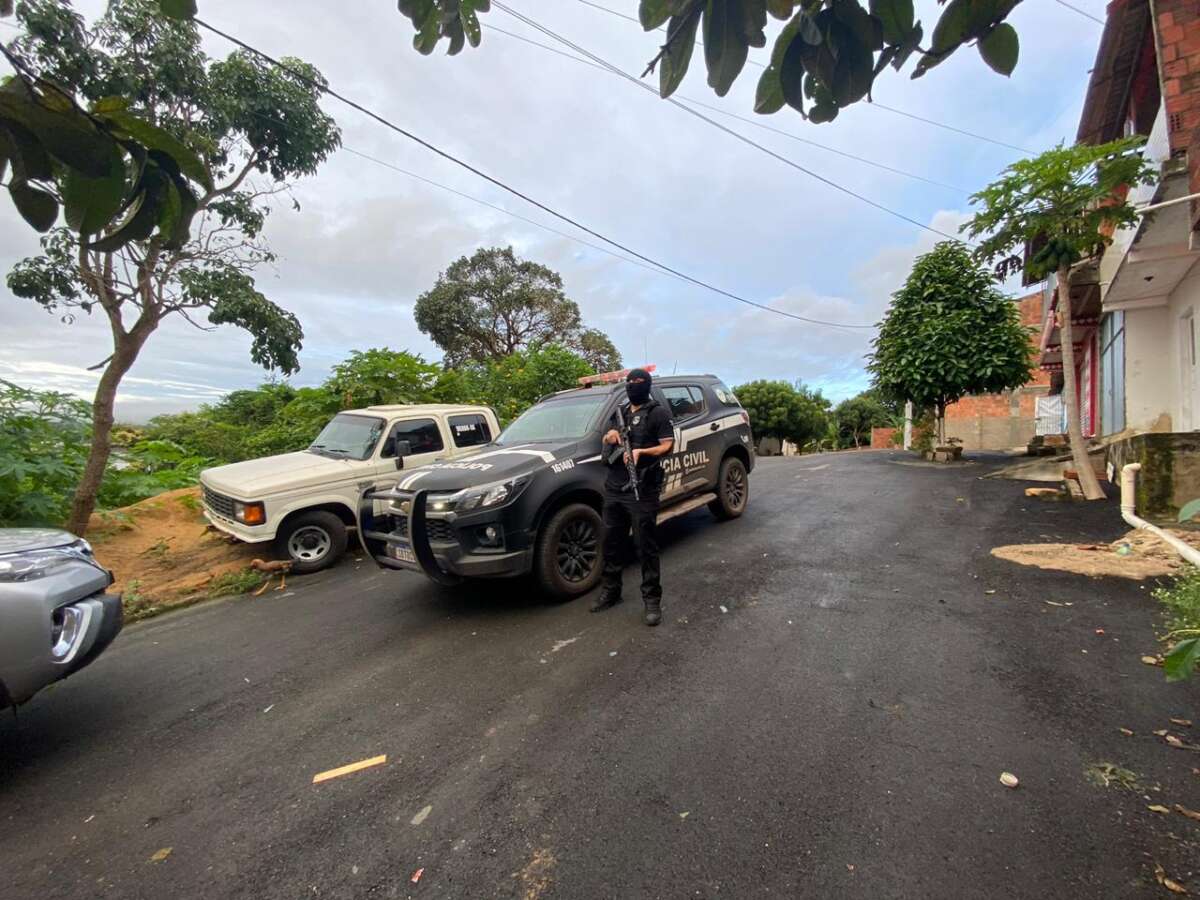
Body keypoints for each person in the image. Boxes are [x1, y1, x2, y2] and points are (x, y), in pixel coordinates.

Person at [592, 368, 674, 626]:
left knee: (645, 546)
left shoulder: (657, 412)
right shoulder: (622, 412)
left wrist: (642, 452)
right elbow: (607, 435)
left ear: (647, 385)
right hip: (615, 488)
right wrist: (612, 435)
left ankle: (652, 600)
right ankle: (611, 590)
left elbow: (667, 444)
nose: (632, 386)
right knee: (611, 542)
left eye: (638, 382)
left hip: (643, 488)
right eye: (629, 382)